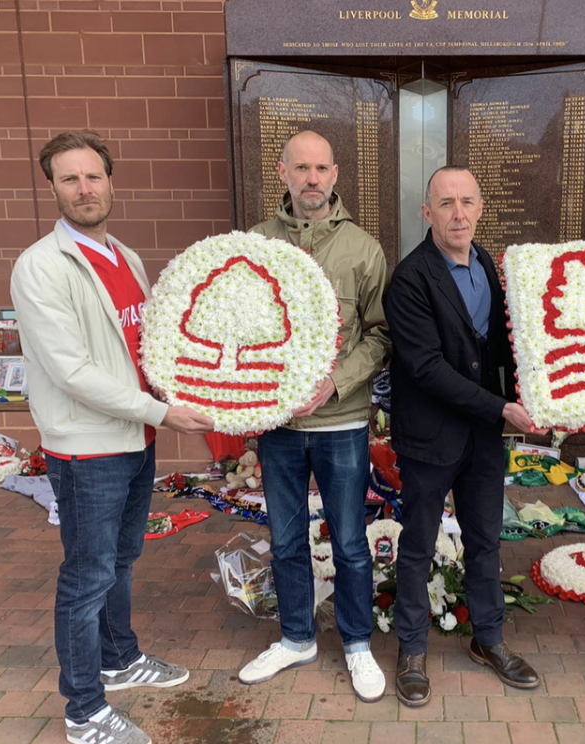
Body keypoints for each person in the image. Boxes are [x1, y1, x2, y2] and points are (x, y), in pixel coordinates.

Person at [10, 130, 214, 744]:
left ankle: (119, 659)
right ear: (52, 187)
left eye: (93, 176)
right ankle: (84, 711)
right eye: (70, 179)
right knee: (87, 575)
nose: (84, 189)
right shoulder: (40, 267)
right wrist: (161, 412)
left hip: (133, 439)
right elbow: (72, 371)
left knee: (122, 560)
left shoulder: (126, 256)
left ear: (110, 181)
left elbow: (146, 349)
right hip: (88, 447)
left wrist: (186, 392)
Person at [238, 131, 391, 703]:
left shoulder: (363, 249)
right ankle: (297, 636)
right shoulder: (254, 242)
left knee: (350, 541)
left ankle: (356, 642)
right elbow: (242, 330)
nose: (311, 178)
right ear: (282, 172)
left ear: (334, 175)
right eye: (301, 167)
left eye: (321, 168)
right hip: (278, 428)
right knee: (284, 539)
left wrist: (335, 382)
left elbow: (381, 334)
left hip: (342, 424)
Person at [384, 165, 541, 707]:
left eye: (467, 202)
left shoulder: (489, 269)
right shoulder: (409, 278)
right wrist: (502, 408)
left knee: (485, 541)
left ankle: (489, 640)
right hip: (430, 438)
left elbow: (501, 349)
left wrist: (538, 394)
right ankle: (411, 650)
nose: (458, 213)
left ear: (479, 209)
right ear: (427, 213)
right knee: (418, 545)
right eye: (446, 203)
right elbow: (426, 368)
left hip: (483, 438)